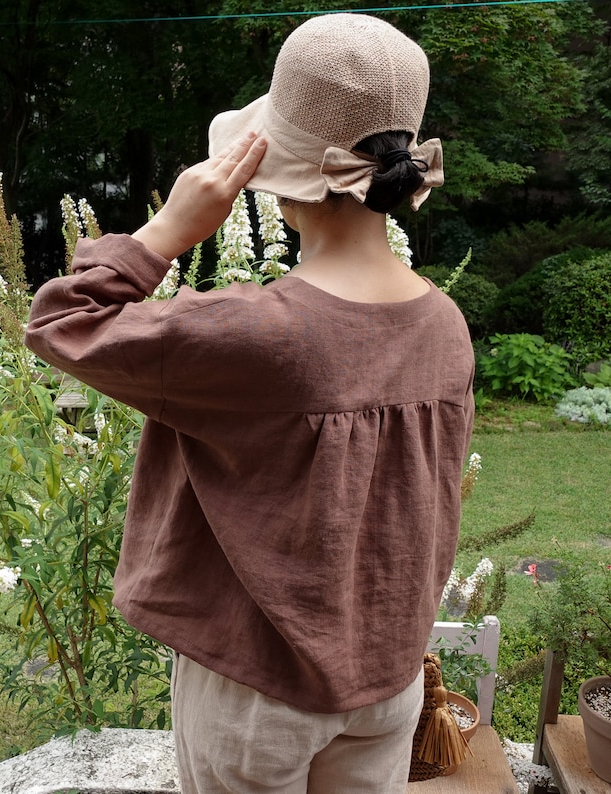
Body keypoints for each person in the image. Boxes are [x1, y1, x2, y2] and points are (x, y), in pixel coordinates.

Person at [24, 12, 474, 794]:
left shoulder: (255, 333)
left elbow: (62, 323)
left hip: (257, 690)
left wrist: (167, 230)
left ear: (282, 173)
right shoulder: (444, 325)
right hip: (389, 683)